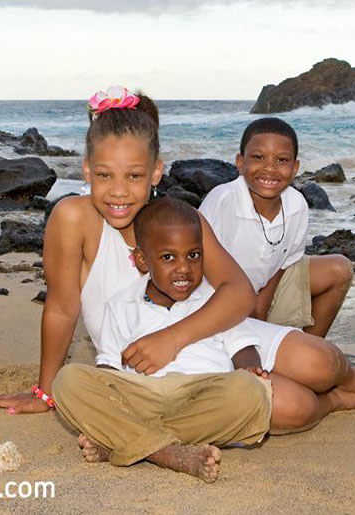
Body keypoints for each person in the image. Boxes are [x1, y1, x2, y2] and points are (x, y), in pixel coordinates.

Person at [0, 86, 355, 428]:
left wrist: (174, 338)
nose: (120, 191)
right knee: (293, 405)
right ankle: (332, 401)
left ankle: (350, 377)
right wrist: (46, 390)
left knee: (322, 359)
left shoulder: (177, 219)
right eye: (104, 176)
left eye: (134, 176)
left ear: (157, 172)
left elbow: (237, 292)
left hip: (207, 331)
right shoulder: (74, 216)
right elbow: (62, 307)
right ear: (87, 170)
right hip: (148, 363)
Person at [52, 197, 272, 483]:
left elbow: (243, 348)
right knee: (68, 382)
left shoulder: (216, 301)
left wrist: (251, 370)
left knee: (250, 392)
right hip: (141, 395)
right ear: (143, 260)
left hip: (200, 394)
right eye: (168, 257)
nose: (184, 268)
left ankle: (124, 442)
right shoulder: (120, 305)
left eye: (193, 255)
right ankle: (168, 453)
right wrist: (109, 394)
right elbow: (109, 368)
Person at [200, 117, 353, 338]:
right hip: (217, 299)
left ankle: (309, 344)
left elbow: (283, 263)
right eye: (258, 157)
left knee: (339, 269)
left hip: (263, 291)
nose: (269, 168)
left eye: (281, 160)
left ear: (295, 168)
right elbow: (197, 264)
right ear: (240, 162)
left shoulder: (297, 204)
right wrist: (243, 306)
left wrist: (262, 305)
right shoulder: (224, 200)